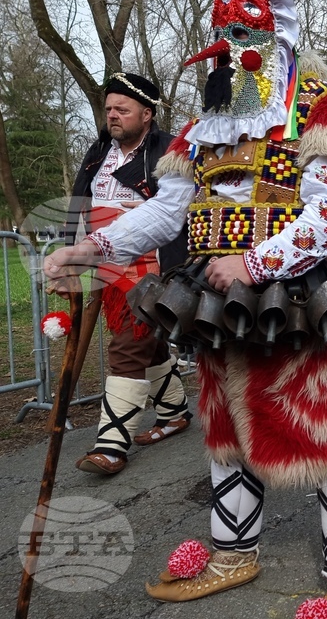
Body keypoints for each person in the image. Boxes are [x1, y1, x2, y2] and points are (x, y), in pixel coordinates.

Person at [46, 0, 327, 616]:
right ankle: (233, 554)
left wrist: (258, 264)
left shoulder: (321, 108)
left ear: (276, 40)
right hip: (216, 301)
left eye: (246, 41)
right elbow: (168, 209)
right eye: (224, 43)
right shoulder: (202, 131)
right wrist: (93, 247)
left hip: (297, 300)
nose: (231, 56)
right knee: (225, 427)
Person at [64, 72, 191, 475]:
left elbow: (185, 208)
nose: (113, 116)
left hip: (152, 268)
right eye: (108, 110)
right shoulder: (98, 150)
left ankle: (111, 445)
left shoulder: (172, 151)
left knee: (127, 347)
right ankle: (174, 412)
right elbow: (79, 203)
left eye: (122, 109)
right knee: (146, 347)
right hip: (107, 267)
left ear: (147, 114)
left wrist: (140, 215)